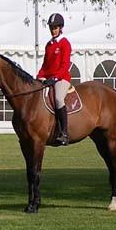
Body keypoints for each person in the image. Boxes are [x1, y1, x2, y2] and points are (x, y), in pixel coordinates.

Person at [36, 12, 72, 145]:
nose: (53, 30)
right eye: (51, 28)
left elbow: (65, 65)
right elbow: (45, 65)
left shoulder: (64, 43)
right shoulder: (49, 45)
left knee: (58, 99)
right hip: (49, 78)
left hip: (62, 78)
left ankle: (64, 133)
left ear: (61, 28)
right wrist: (39, 76)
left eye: (55, 27)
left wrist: (56, 78)